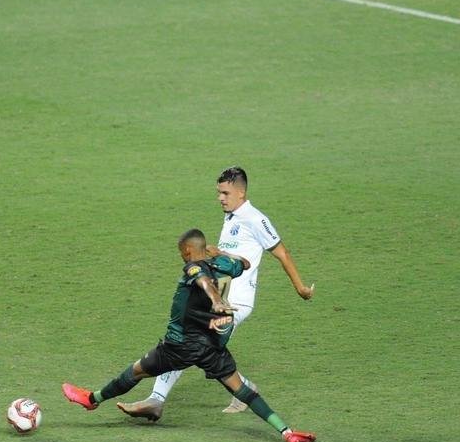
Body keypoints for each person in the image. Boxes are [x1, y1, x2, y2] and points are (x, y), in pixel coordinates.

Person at [61, 228, 316, 442]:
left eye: (181, 252)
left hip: (180, 345)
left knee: (136, 370)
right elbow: (246, 264)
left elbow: (202, 280)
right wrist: (222, 254)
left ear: (187, 250)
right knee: (242, 389)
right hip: (211, 346)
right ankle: (287, 432)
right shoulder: (223, 264)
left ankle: (92, 399)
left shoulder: (193, 266)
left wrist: (215, 299)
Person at [119, 166, 314, 420]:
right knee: (194, 346)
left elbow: (282, 253)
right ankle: (239, 390)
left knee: (188, 344)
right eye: (219, 192)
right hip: (219, 298)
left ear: (241, 193)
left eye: (225, 193)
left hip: (236, 302)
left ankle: (157, 399)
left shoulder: (255, 219)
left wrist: (300, 287)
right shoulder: (232, 216)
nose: (220, 198)